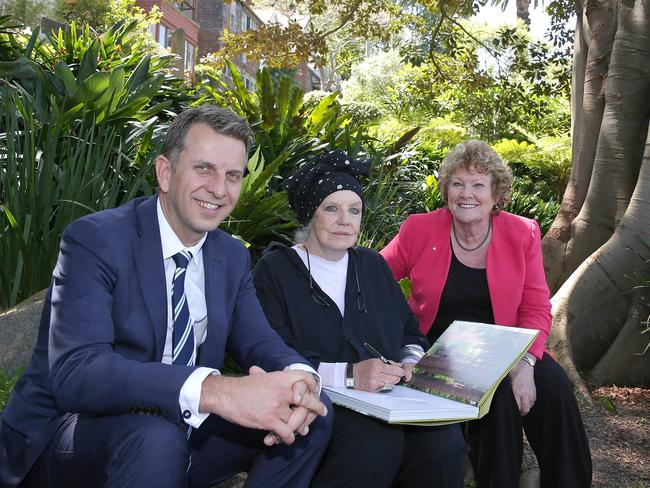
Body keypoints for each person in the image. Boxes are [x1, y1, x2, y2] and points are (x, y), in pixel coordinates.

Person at [0, 106, 332, 488]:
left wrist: (300, 379)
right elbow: (78, 372)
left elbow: (259, 339)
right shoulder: (96, 240)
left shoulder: (230, 255)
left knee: (312, 417)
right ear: (164, 172)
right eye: (204, 168)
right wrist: (213, 390)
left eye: (233, 175)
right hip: (75, 436)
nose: (219, 189)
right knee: (155, 439)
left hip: (181, 436)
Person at [380, 140, 592, 488]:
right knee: (497, 396)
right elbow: (375, 277)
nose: (467, 193)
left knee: (554, 387)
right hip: (439, 352)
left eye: (478, 184)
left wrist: (525, 364)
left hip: (503, 348)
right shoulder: (419, 229)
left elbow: (537, 307)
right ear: (446, 190)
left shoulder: (521, 232)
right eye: (458, 183)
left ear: (496, 195)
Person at [253, 149, 467, 488]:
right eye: (332, 209)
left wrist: (412, 362)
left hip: (392, 399)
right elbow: (274, 355)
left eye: (354, 210)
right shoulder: (275, 271)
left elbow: (410, 332)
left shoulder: (372, 265)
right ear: (311, 214)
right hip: (325, 401)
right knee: (374, 447)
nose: (345, 220)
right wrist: (351, 375)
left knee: (445, 445)